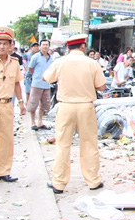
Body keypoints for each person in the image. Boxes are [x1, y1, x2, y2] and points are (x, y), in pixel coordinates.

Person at [42, 34, 106, 194]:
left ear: (68, 47)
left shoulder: (60, 62)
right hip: (86, 107)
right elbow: (102, 87)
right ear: (83, 46)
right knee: (89, 143)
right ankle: (93, 181)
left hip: (65, 106)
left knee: (63, 144)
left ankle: (58, 183)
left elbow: (46, 78)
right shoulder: (92, 63)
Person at [0, 26, 26, 186]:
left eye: (5, 43)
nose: (2, 46)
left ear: (10, 45)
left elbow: (17, 83)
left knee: (6, 138)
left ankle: (2, 172)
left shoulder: (15, 63)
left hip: (7, 104)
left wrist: (21, 102)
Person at [27, 39, 54, 131]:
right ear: (40, 46)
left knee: (44, 105)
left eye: (47, 45)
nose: (45, 46)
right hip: (37, 83)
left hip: (46, 84)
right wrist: (36, 76)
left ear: (49, 46)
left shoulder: (51, 58)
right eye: (43, 45)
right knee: (33, 103)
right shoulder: (36, 56)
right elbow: (30, 68)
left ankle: (40, 121)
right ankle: (32, 122)